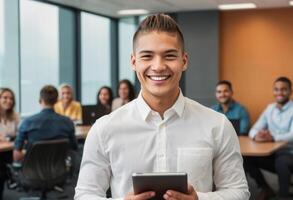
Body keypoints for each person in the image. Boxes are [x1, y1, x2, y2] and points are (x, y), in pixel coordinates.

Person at [75, 14, 249, 200]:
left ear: (184, 61)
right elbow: (85, 195)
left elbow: (238, 192)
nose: (158, 66)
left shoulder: (217, 125)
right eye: (147, 56)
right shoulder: (104, 129)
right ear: (134, 62)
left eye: (169, 56)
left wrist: (200, 199)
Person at [246, 77, 293, 200]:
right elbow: (254, 129)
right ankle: (266, 189)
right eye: (276, 89)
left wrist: (272, 138)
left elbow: (292, 135)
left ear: (290, 91)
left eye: (284, 89)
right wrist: (257, 136)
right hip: (272, 152)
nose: (280, 92)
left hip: (289, 153)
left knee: (282, 162)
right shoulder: (270, 108)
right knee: (247, 159)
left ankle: (283, 196)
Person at [13, 85, 78, 162]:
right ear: (57, 101)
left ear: (40, 100)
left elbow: (16, 156)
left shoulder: (27, 122)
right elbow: (74, 149)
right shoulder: (68, 122)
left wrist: (29, 152)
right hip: (59, 170)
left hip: (32, 171)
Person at [0, 88, 19, 200]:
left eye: (11, 98)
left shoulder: (15, 116)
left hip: (10, 151)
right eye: (5, 97)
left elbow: (20, 135)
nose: (9, 100)